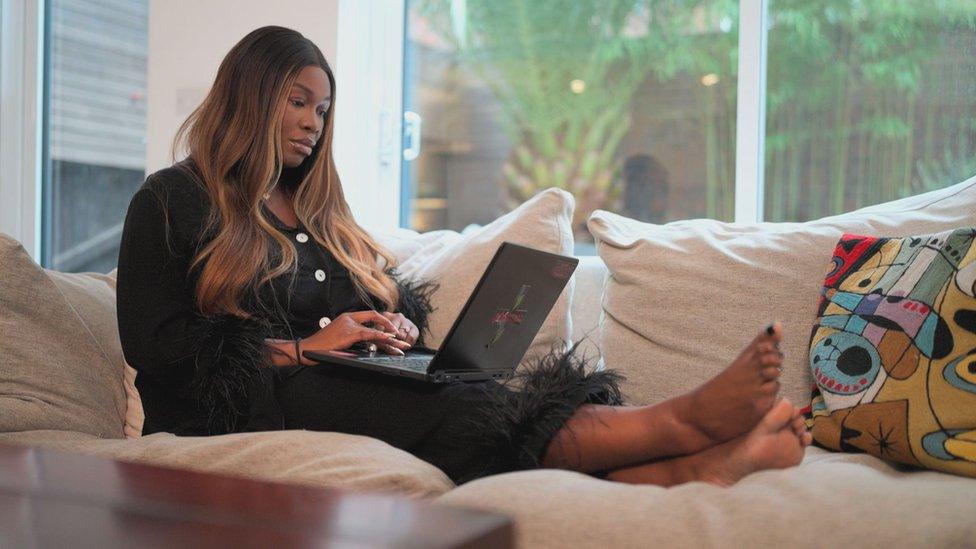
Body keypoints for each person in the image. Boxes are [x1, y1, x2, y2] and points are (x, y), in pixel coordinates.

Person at [117, 26, 811, 487]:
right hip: (231, 409)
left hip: (326, 384)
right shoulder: (172, 201)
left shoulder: (319, 211)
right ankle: (677, 424)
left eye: (324, 110)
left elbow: (357, 313)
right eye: (298, 101)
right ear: (251, 95)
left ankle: (687, 470)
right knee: (442, 404)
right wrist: (304, 348)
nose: (312, 122)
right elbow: (156, 343)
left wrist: (388, 326)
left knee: (459, 387)